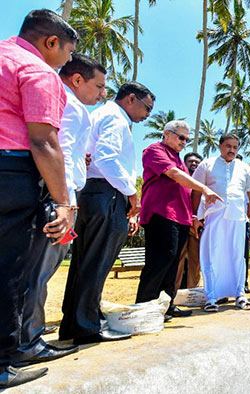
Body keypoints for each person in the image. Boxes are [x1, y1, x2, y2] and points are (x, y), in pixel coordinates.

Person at [0, 9, 78, 387]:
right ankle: (2, 361)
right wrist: (63, 203)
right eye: (65, 54)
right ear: (50, 43)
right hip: (12, 174)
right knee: (8, 270)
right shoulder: (37, 71)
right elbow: (43, 140)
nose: (64, 63)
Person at [14, 54, 106, 369]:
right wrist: (65, 203)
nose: (102, 93)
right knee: (38, 271)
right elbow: (59, 150)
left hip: (57, 194)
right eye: (99, 86)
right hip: (60, 198)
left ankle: (26, 337)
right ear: (77, 80)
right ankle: (28, 341)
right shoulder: (71, 105)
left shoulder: (66, 102)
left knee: (36, 271)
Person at [59, 81, 155, 345]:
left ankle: (73, 323)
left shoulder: (101, 114)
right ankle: (87, 326)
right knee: (97, 263)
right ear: (131, 99)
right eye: (146, 108)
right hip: (107, 194)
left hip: (92, 193)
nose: (147, 115)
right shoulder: (116, 118)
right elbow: (105, 158)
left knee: (83, 263)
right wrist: (131, 193)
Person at [136, 121, 221, 320]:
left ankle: (166, 304)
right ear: (167, 133)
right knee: (159, 261)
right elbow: (174, 174)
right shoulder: (154, 150)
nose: (184, 142)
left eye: (187, 139)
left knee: (173, 263)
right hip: (161, 214)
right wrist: (204, 188)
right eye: (181, 137)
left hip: (180, 218)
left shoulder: (177, 157)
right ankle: (145, 306)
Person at [192, 134, 250, 312]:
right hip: (214, 216)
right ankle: (211, 297)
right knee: (211, 255)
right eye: (228, 146)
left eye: (235, 147)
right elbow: (196, 192)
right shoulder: (206, 165)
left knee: (238, 256)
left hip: (238, 217)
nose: (231, 150)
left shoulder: (245, 168)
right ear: (220, 146)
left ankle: (240, 295)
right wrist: (195, 217)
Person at [174, 152, 204, 290]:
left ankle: (193, 292)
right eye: (191, 161)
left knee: (195, 261)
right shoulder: (177, 181)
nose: (194, 164)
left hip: (197, 227)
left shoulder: (204, 184)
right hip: (180, 224)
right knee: (177, 260)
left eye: (197, 163)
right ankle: (174, 292)